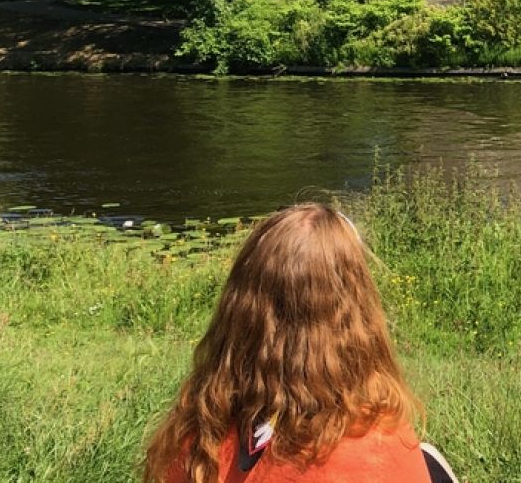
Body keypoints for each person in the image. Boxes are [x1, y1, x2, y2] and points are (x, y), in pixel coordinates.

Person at [144, 203, 454, 483]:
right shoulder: (377, 440)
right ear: (355, 315)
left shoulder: (200, 436)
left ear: (239, 312)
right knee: (432, 459)